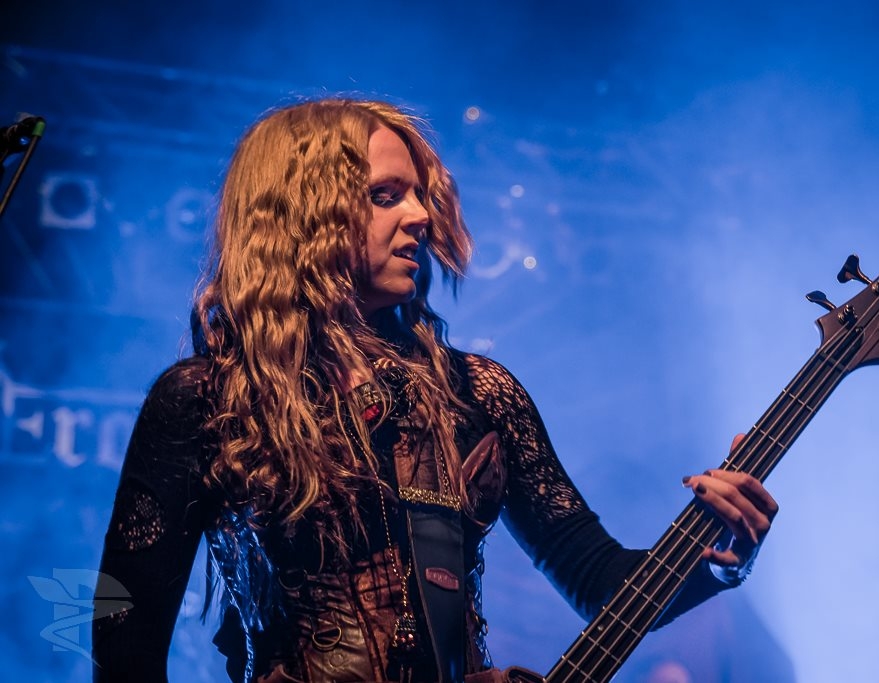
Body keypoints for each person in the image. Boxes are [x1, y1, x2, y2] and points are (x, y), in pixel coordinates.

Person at [92, 98, 778, 683]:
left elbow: (599, 580)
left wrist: (716, 563)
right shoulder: (206, 400)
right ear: (304, 215)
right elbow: (122, 629)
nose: (422, 215)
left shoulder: (478, 393)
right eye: (385, 195)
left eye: (420, 194)